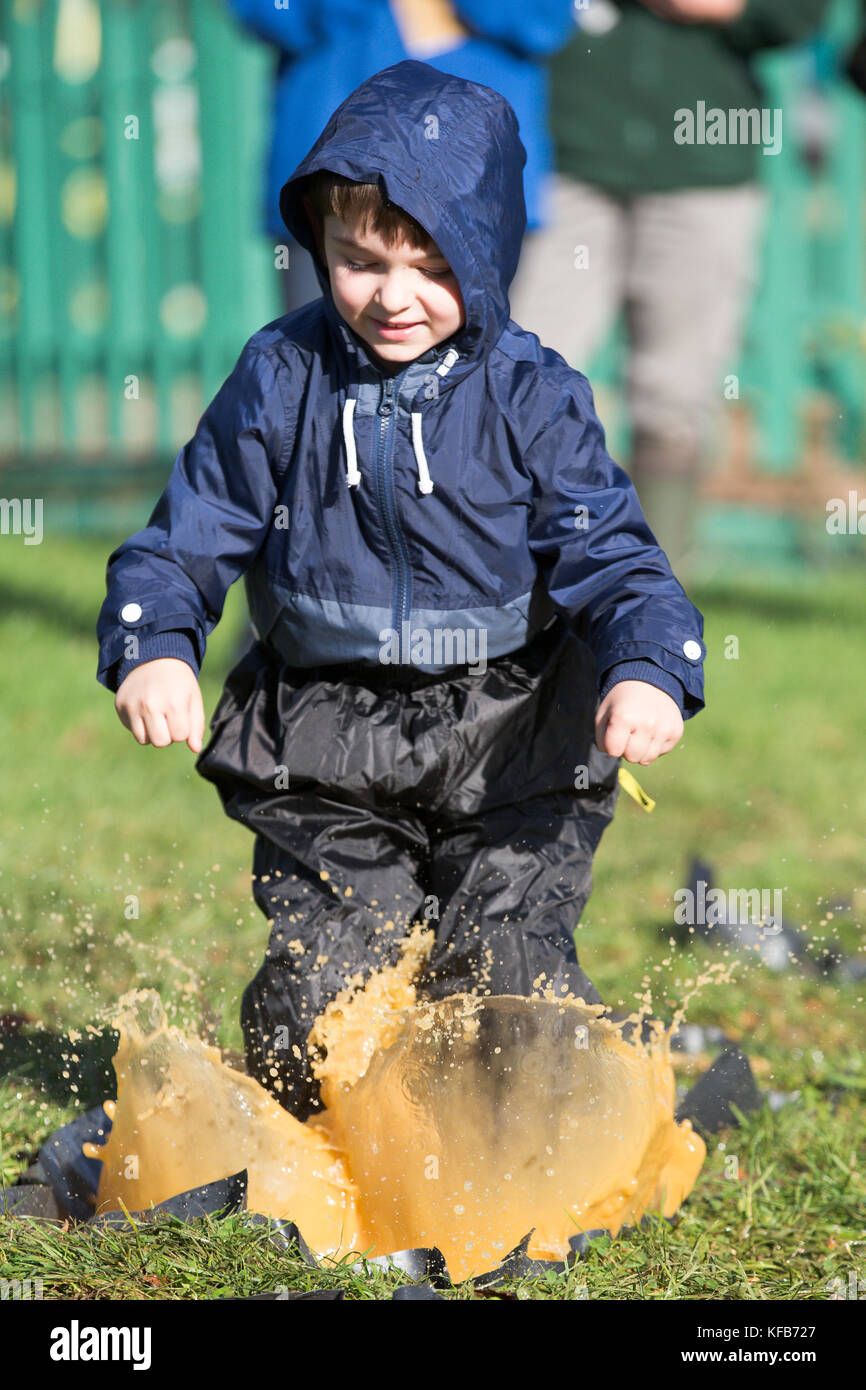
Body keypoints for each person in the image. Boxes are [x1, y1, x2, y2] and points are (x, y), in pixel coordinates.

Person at [96, 60, 706, 1122]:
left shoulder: (530, 392)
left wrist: (647, 665)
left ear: (484, 251)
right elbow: (189, 532)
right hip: (323, 737)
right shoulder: (282, 376)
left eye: (429, 265)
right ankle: (325, 1151)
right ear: (321, 247)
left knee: (503, 979)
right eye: (358, 260)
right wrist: (154, 640)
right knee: (329, 990)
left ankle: (523, 1157)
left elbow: (612, 550)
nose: (391, 296)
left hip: (513, 732)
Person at [509, 0, 831, 572]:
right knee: (523, 377)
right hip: (568, 152)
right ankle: (512, 584)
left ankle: (649, 607)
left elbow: (801, 15)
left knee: (675, 397)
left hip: (703, 169)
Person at [227, 0, 580, 315]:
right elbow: (270, 14)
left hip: (476, 173)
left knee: (467, 375)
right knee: (319, 371)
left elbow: (542, 21)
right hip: (330, 172)